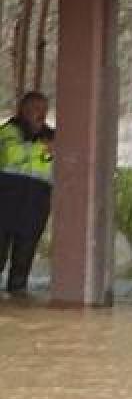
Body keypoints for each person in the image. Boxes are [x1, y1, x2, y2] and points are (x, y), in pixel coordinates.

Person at [0, 91, 55, 293]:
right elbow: (11, 154)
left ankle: (17, 299)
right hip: (5, 203)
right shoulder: (8, 131)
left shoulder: (52, 136)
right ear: (23, 110)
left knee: (23, 262)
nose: (40, 114)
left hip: (34, 206)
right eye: (35, 109)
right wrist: (43, 149)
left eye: (43, 110)